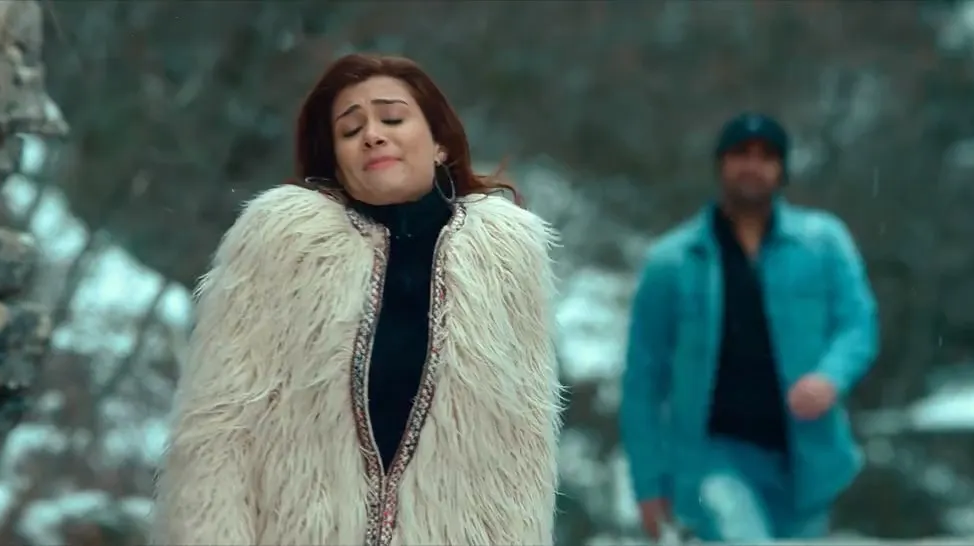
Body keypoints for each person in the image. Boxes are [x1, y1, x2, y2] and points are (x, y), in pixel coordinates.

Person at [150, 53, 563, 546]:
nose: (372, 134)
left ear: (439, 144)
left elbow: (523, 448)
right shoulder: (282, 241)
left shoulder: (505, 253)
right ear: (336, 163)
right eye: (350, 130)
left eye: (392, 118)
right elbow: (217, 429)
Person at [619, 113, 879, 542]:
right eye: (741, 154)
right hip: (713, 455)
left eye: (766, 156)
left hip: (805, 458)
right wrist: (647, 484)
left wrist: (830, 378)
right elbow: (643, 381)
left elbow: (858, 324)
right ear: (721, 163)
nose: (752, 166)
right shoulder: (673, 261)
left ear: (782, 168)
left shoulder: (823, 243)